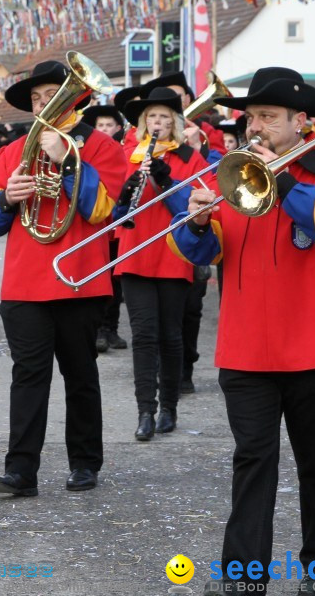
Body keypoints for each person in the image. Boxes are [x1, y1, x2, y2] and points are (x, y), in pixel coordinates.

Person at [171, 67, 315, 593]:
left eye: (268, 117)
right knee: (253, 460)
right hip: (245, 347)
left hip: (312, 346)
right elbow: (201, 256)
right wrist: (195, 222)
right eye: (251, 117)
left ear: (300, 121)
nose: (255, 127)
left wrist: (282, 177)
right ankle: (245, 572)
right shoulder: (229, 173)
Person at [0, 60, 126, 496]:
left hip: (78, 277)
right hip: (24, 282)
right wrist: (6, 199)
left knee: (80, 374)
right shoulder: (13, 150)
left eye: (53, 95)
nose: (45, 104)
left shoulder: (101, 146)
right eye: (39, 98)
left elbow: (101, 210)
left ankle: (84, 462)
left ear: (75, 97)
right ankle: (20, 470)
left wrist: (66, 162)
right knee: (28, 376)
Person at [112, 88, 213, 440]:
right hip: (135, 250)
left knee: (171, 335)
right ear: (143, 123)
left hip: (174, 252)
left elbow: (196, 209)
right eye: (151, 117)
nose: (157, 123)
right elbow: (112, 213)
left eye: (164, 118)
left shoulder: (190, 158)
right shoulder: (127, 153)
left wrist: (167, 180)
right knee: (143, 335)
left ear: (175, 123)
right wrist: (126, 192)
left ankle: (169, 406)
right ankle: (145, 411)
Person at [79, 104, 128, 353]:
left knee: (116, 284)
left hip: (118, 227)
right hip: (99, 226)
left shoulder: (123, 151)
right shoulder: (89, 151)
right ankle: (98, 330)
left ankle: (112, 328)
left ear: (118, 128)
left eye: (109, 125)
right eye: (100, 126)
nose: (105, 129)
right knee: (99, 279)